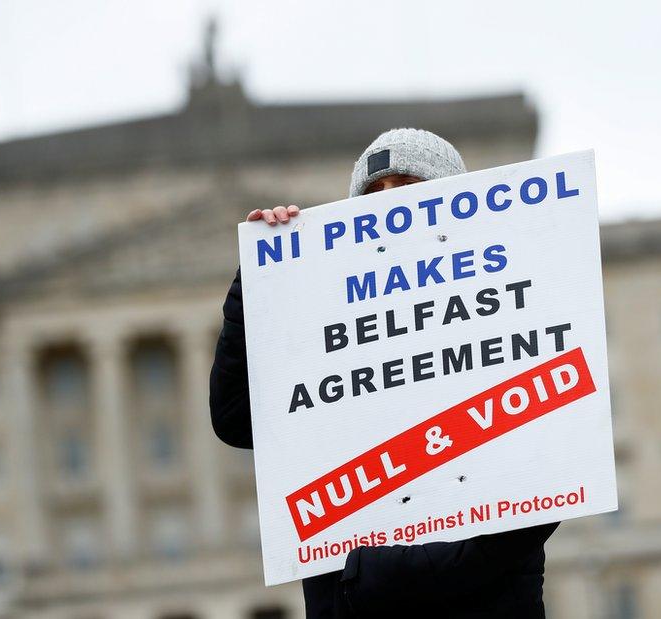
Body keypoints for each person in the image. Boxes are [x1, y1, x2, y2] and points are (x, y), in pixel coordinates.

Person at [209, 128, 559, 618]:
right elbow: (235, 419)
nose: (392, 209)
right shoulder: (327, 315)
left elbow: (528, 508)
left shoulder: (507, 328)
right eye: (375, 196)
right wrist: (260, 284)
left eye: (410, 189)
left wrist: (375, 573)